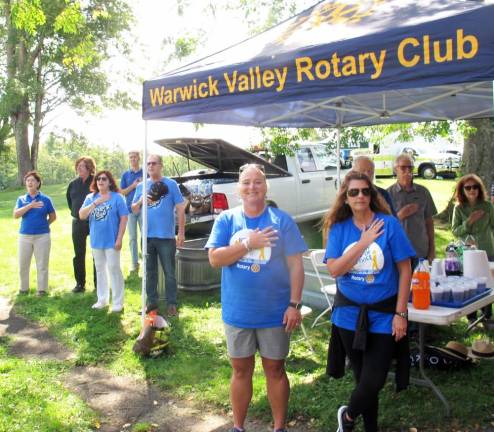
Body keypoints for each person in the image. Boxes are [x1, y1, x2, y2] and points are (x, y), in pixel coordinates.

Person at [206, 163, 307, 432]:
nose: (252, 187)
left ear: (266, 187)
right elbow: (215, 259)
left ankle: (278, 428)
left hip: (275, 312)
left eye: (258, 182)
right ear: (239, 189)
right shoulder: (227, 220)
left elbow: (296, 265)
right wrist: (248, 243)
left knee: (275, 369)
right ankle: (238, 427)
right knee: (240, 370)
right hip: (238, 311)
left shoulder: (281, 220)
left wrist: (294, 305)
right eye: (247, 182)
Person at [323, 171, 415, 432]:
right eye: (354, 192)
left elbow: (405, 268)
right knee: (362, 378)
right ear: (346, 197)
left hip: (385, 313)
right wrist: (363, 242)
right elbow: (335, 269)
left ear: (372, 195)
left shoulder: (389, 225)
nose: (360, 196)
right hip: (348, 315)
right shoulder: (339, 229)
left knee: (374, 379)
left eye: (365, 191)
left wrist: (401, 314)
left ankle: (348, 417)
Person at [132, 154, 185, 317]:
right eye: (148, 164)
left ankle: (171, 304)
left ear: (161, 165)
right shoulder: (141, 186)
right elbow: (134, 209)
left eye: (154, 163)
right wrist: (141, 200)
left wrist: (181, 232)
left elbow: (181, 208)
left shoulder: (171, 184)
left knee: (169, 272)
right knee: (150, 271)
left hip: (166, 237)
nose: (151, 166)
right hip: (147, 237)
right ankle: (152, 304)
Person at [79, 170, 128, 311]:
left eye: (104, 179)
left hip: (112, 241)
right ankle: (102, 299)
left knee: (114, 268)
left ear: (110, 182)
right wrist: (96, 203)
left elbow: (124, 218)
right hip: (96, 241)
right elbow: (81, 215)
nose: (100, 181)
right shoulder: (91, 197)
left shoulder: (117, 197)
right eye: (98, 179)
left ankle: (118, 302)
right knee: (100, 270)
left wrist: (119, 238)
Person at [452, 174, 494, 320]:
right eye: (468, 187)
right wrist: (469, 221)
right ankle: (471, 317)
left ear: (479, 189)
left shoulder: (488, 206)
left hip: (487, 251)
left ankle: (487, 316)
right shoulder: (458, 209)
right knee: (470, 283)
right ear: (462, 190)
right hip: (468, 253)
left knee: (488, 282)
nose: (472, 190)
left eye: (475, 187)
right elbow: (455, 231)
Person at [387, 154, 437, 266]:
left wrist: (432, 250)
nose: (407, 171)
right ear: (395, 170)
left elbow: (429, 223)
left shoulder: (423, 192)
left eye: (410, 167)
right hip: (397, 254)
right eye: (403, 167)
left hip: (420, 252)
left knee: (422, 283)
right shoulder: (388, 194)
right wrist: (400, 215)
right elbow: (384, 226)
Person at [14, 171, 56, 296]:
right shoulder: (21, 199)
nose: (30, 182)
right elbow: (16, 215)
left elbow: (53, 216)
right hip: (24, 236)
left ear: (38, 183)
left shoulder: (46, 199)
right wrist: (30, 206)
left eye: (32, 180)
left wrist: (45, 225)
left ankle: (42, 290)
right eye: (28, 181)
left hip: (42, 236)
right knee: (23, 264)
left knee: (42, 264)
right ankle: (23, 288)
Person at [66, 156, 97, 293]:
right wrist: (77, 213)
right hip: (78, 223)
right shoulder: (73, 184)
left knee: (97, 253)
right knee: (78, 254)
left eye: (82, 166)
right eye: (77, 166)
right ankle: (80, 284)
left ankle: (98, 283)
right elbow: (70, 202)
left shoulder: (97, 181)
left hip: (94, 221)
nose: (79, 168)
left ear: (89, 168)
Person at [120, 151, 143, 274]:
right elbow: (122, 192)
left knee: (145, 236)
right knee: (132, 238)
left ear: (139, 158)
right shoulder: (125, 175)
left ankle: (146, 261)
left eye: (135, 157)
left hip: (143, 209)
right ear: (129, 159)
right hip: (129, 210)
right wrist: (133, 186)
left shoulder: (145, 173)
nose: (133, 159)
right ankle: (135, 264)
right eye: (131, 157)